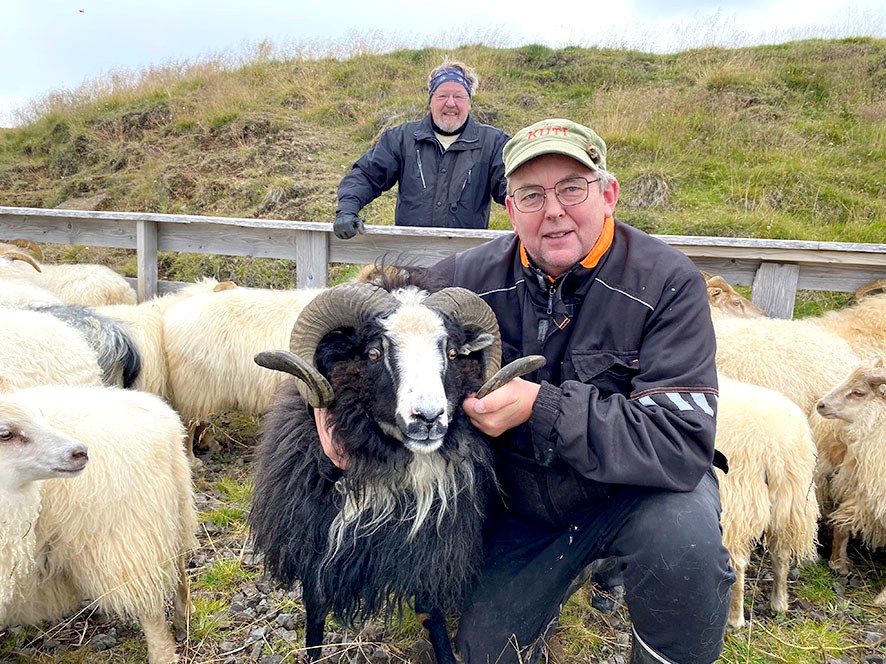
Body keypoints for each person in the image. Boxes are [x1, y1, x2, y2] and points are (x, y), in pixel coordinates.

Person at [318, 118, 735, 663]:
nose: (554, 210)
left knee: (686, 546)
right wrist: (325, 403)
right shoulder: (467, 279)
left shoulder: (666, 283)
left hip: (638, 494)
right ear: (510, 209)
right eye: (531, 195)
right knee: (490, 652)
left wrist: (541, 408)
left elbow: (680, 442)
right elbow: (375, 322)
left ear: (608, 195)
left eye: (572, 188)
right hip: (522, 509)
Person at [332, 59, 509, 239]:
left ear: (469, 103)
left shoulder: (493, 143)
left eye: (459, 96)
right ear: (430, 101)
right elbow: (367, 176)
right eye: (442, 96)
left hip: (467, 260)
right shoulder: (401, 138)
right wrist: (347, 208)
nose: (450, 103)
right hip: (410, 259)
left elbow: (514, 188)